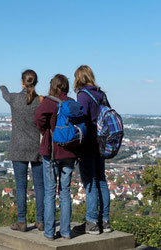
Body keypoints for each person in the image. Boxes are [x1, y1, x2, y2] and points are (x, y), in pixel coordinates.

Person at [0, 69, 44, 232]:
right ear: (35, 82)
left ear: (22, 82)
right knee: (40, 185)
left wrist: (2, 87)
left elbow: (5, 94)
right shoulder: (40, 101)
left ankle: (21, 221)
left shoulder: (15, 99)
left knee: (21, 186)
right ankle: (41, 221)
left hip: (18, 148)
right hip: (36, 147)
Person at [34, 74, 77, 240]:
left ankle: (50, 232)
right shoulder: (72, 103)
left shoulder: (49, 102)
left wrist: (45, 132)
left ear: (52, 86)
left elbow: (38, 119)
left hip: (51, 151)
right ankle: (66, 232)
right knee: (65, 192)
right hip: (70, 152)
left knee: (50, 192)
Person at [72, 65, 112, 235]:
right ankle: (105, 221)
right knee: (101, 181)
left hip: (88, 144)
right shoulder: (101, 94)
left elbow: (81, 119)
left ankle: (92, 222)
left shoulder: (83, 95)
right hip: (101, 144)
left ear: (78, 78)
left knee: (90, 183)